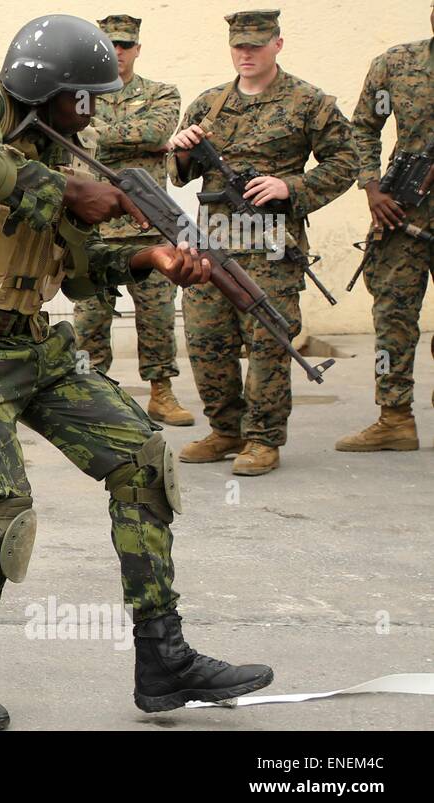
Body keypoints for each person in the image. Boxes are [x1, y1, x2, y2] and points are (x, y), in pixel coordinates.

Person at [0, 15, 273, 731]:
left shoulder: (61, 146)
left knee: (142, 457)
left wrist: (148, 260)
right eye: (85, 96)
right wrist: (71, 192)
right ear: (47, 87)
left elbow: (75, 273)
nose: (95, 109)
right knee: (2, 510)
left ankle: (162, 657)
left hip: (32, 339)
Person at [168, 9, 359, 475]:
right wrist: (180, 152)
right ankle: (225, 430)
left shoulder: (309, 102)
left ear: (277, 43)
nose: (246, 53)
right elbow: (179, 175)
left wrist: (290, 188)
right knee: (205, 338)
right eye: (239, 45)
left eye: (256, 44)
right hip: (211, 243)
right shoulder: (208, 104)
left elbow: (346, 162)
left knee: (269, 342)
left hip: (272, 244)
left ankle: (263, 440)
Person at [71, 15, 192, 427]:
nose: (118, 51)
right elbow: (75, 137)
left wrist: (100, 134)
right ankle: (91, 395)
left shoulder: (162, 92)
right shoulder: (81, 95)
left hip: (147, 225)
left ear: (137, 48)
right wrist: (137, 138)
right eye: (111, 44)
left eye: (126, 44)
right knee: (89, 318)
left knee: (157, 314)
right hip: (93, 227)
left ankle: (162, 392)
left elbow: (158, 130)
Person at [334, 3, 434, 452]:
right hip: (403, 213)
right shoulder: (396, 64)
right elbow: (363, 127)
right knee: (393, 317)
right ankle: (394, 417)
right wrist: (371, 186)